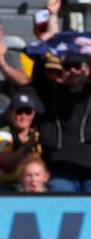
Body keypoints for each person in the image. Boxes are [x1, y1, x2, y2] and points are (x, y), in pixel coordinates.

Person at [35, 52, 91, 192]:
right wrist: (46, 49)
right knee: (60, 204)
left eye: (76, 66)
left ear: (87, 70)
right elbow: (38, 77)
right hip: (60, 167)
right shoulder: (52, 92)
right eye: (67, 67)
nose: (72, 71)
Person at [0, 91, 41, 187]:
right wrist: (26, 147)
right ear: (10, 113)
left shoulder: (38, 136)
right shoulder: (1, 135)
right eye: (19, 112)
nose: (23, 116)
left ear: (33, 114)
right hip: (3, 186)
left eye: (28, 112)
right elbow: (7, 165)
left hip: (31, 186)